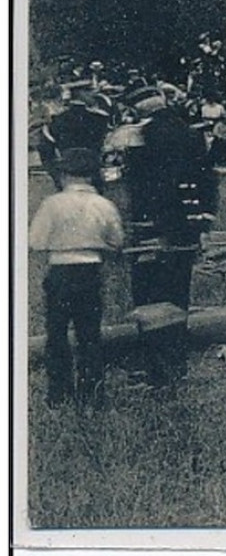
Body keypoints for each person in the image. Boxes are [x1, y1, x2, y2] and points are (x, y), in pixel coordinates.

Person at [122, 88, 218, 386]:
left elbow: (134, 184)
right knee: (177, 292)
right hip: (184, 224)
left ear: (141, 110)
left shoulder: (138, 136)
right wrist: (204, 220)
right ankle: (177, 363)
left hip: (150, 226)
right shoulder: (190, 133)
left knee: (149, 294)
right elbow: (207, 177)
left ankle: (155, 367)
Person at [28, 147, 125, 406]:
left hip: (59, 270)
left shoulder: (52, 204)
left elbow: (36, 240)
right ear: (92, 176)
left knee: (56, 333)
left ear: (64, 175)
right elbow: (117, 241)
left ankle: (58, 393)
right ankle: (92, 393)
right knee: (89, 335)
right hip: (90, 270)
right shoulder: (103, 205)